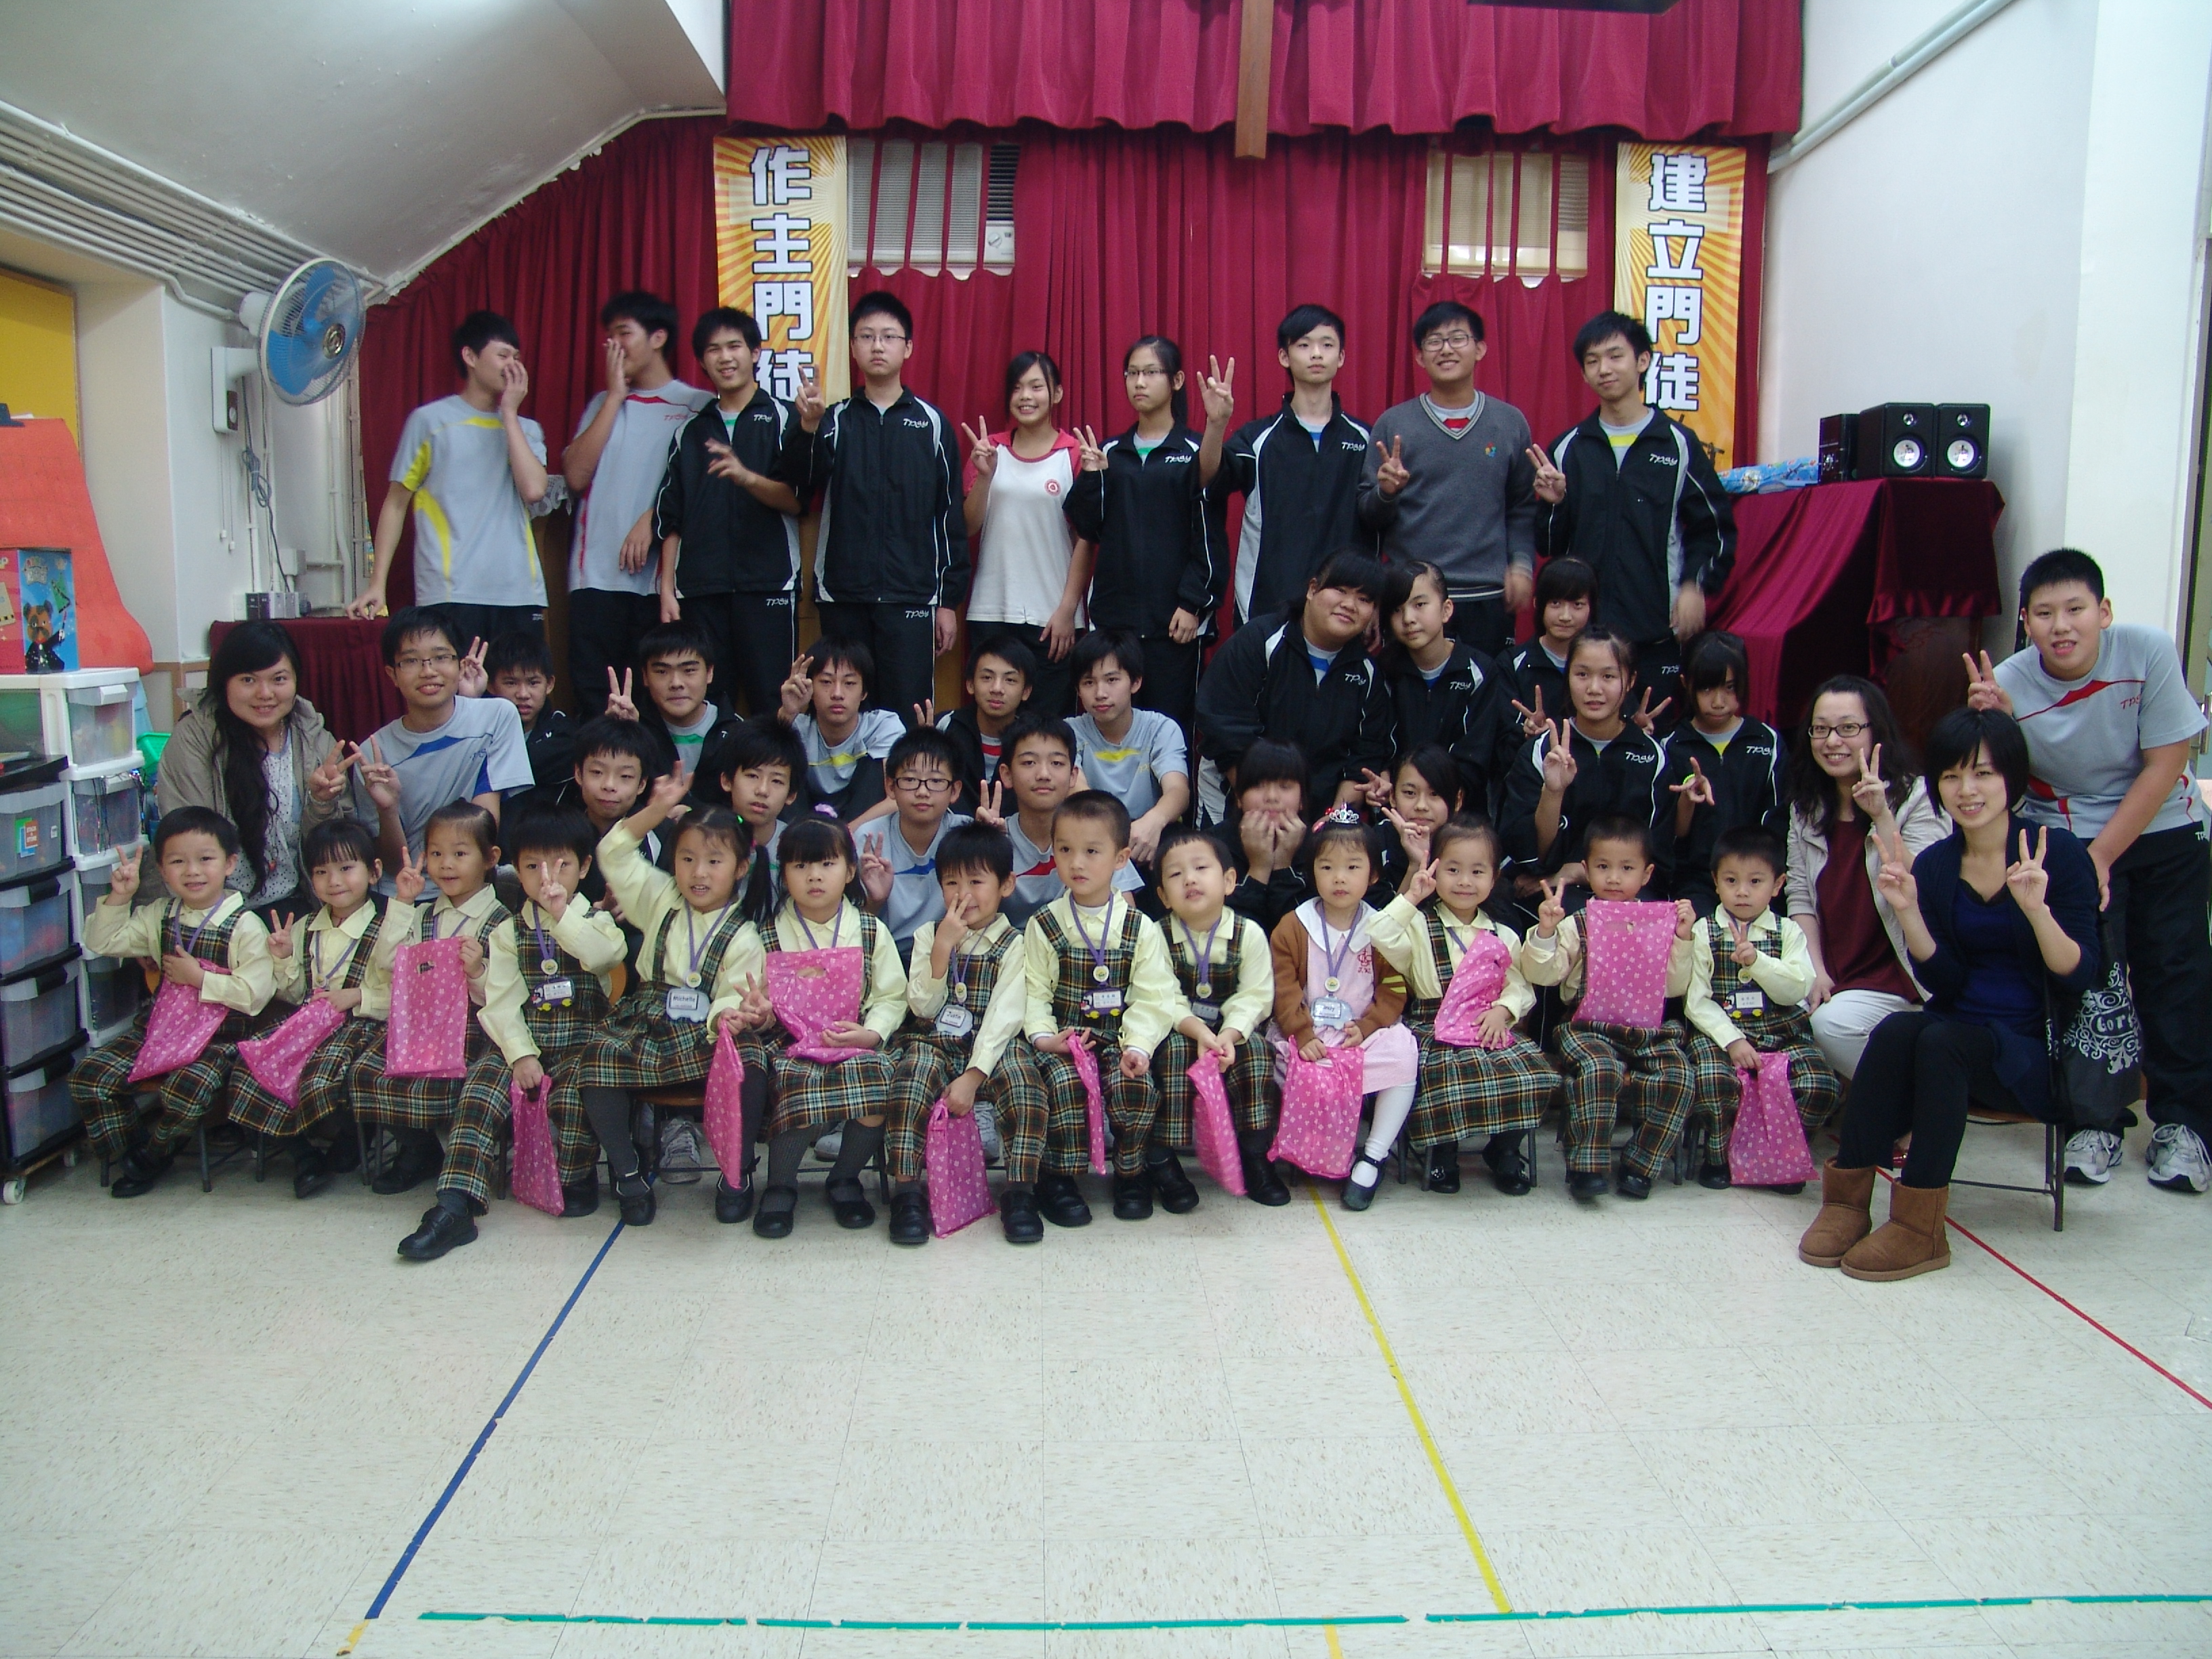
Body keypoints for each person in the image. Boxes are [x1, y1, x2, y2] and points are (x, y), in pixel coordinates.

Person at [1799, 708, 2102, 1280]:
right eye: (1952, 776)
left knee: (1942, 1044)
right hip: (1962, 1032)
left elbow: (2079, 976)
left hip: (2036, 1051)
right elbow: (1946, 982)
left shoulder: (2055, 855)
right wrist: (1909, 911)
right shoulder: (1939, 863)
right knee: (1898, 1030)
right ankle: (1847, 1201)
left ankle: (1920, 1226)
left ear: (2012, 778)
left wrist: (2037, 910)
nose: (1967, 790)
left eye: (1983, 773)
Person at [1970, 548, 2212, 1195]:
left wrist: (2102, 855)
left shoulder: (2148, 651)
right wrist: (1992, 724)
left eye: (2075, 609)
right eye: (2044, 614)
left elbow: (2167, 763)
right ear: (2026, 622)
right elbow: (2000, 781)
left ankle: (2184, 1125)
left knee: (2177, 975)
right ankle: (2094, 1122)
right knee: (2088, 980)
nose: (2062, 626)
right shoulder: (2009, 681)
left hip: (2163, 830)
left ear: (2103, 611)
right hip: (2068, 837)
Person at [419, 806, 629, 1258]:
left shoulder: (596, 922)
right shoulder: (508, 932)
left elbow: (603, 958)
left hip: (581, 1042)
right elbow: (500, 1000)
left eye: (561, 866)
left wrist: (562, 916)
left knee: (575, 1093)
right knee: (480, 1088)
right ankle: (455, 1203)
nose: (546, 878)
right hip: (525, 1040)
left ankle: (576, 1179)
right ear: (516, 869)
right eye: (532, 867)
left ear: (584, 867)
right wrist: (520, 1054)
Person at [575, 767, 766, 1224]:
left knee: (752, 1061)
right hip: (647, 1019)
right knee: (598, 1055)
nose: (698, 873)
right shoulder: (659, 898)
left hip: (707, 1029)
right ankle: (627, 1173)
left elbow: (735, 994)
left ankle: (736, 1172)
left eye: (714, 861)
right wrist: (655, 811)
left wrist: (728, 1017)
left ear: (740, 867)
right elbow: (612, 853)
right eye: (687, 858)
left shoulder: (745, 935)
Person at [1530, 312, 1736, 724]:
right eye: (1592, 361)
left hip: (1655, 632)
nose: (1604, 369)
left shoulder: (1678, 444)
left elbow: (1713, 528)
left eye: (1615, 356)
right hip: (1584, 637)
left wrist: (1695, 584)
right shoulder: (1569, 448)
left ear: (1642, 361)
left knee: (1652, 740)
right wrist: (1554, 504)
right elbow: (1549, 546)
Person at [70, 810, 278, 1198]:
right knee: (91, 1076)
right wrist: (120, 897)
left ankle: (156, 1154)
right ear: (163, 871)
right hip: (161, 1030)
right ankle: (131, 1150)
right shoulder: (160, 915)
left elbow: (254, 996)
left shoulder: (246, 925)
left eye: (205, 859)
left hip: (220, 1039)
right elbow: (102, 942)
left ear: (230, 863)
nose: (192, 871)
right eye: (178, 861)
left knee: (187, 1089)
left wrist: (199, 978)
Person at [781, 291, 967, 718]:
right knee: (843, 713)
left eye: (888, 337)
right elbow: (799, 482)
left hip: (912, 595)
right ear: (853, 348)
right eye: (866, 336)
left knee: (908, 715)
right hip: (843, 595)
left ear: (908, 347)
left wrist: (947, 601)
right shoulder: (834, 418)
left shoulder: (932, 424)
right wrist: (808, 427)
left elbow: (948, 518)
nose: (877, 346)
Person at [883, 823, 1052, 1245]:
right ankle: (907, 1191)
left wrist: (974, 1076)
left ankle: (1020, 1191)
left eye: (976, 882)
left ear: (1006, 885)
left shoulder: (1015, 943)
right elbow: (922, 1008)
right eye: (951, 883)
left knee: (1025, 1086)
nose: (964, 894)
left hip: (995, 1045)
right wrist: (942, 948)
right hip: (935, 1038)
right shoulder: (929, 935)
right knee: (911, 1079)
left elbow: (1005, 1016)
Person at [348, 802, 516, 1221]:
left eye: (460, 853)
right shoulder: (423, 915)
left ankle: (458, 1180)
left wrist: (477, 971)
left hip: (476, 1030)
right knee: (366, 1070)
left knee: (473, 1086)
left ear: (490, 858)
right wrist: (403, 903)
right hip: (422, 1027)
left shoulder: (502, 921)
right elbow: (388, 966)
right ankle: (419, 1149)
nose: (446, 864)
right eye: (436, 853)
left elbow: (506, 995)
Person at [1369, 817, 1553, 1195]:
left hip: (1488, 1024)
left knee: (1531, 1074)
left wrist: (1504, 1010)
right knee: (1447, 1075)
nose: (1465, 881)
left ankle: (1504, 1150)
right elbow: (1378, 934)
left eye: (1477, 872)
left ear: (1494, 878)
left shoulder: (1502, 933)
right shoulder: (1418, 925)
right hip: (1433, 1026)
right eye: (1453, 870)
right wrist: (1411, 898)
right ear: (1435, 870)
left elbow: (1520, 985)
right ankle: (1442, 1152)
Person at [1021, 792, 1181, 1223]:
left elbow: (1154, 996)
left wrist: (1139, 1046)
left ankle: (1132, 1173)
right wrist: (1044, 1037)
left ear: (1121, 858)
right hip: (1065, 1040)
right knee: (1064, 1085)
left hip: (1120, 1038)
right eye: (1065, 850)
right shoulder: (1044, 924)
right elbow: (1035, 992)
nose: (1076, 863)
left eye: (1092, 852)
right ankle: (1058, 1177)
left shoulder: (1139, 927)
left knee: (1136, 1087)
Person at [351, 310, 560, 641]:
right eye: (503, 355)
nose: (512, 366)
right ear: (470, 357)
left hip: (519, 591)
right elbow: (396, 503)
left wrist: (509, 413)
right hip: (451, 591)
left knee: (522, 678)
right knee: (454, 675)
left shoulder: (527, 429)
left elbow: (534, 490)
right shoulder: (431, 422)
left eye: (517, 358)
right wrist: (378, 583)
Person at [1521, 815, 1698, 1200]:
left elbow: (1675, 987)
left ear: (1647, 874)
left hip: (1648, 1031)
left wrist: (1683, 939)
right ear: (1587, 870)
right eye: (1603, 867)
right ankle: (1586, 1166)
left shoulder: (1659, 923)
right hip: (1586, 1029)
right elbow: (1543, 975)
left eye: (1627, 868)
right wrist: (1546, 931)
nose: (1614, 878)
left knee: (1680, 1074)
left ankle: (1641, 1164)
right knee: (1601, 1069)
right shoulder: (1578, 923)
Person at [750, 817, 908, 1237]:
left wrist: (872, 1033)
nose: (814, 876)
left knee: (877, 1082)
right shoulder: (767, 934)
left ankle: (845, 1178)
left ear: (850, 871)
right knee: (794, 1084)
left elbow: (892, 996)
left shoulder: (870, 930)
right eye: (800, 865)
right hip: (790, 1044)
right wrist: (760, 1013)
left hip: (854, 1038)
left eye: (827, 864)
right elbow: (757, 999)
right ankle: (780, 1185)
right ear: (783, 873)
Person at [1784, 676, 1947, 1080]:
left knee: (1830, 1026)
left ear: (1877, 731)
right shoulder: (1806, 809)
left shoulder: (1917, 797)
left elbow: (1929, 884)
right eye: (1821, 729)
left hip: (1900, 977)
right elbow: (1800, 898)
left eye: (1848, 728)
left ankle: (1912, 1102)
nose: (1832, 741)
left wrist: (1881, 815)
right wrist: (1815, 971)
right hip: (1836, 973)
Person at [226, 817, 398, 1199]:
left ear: (374, 872)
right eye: (321, 871)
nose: (334, 881)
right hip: (307, 1023)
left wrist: (358, 996)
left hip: (361, 1026)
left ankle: (353, 1136)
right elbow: (293, 992)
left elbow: (404, 994)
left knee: (320, 1075)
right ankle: (303, 1155)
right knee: (251, 1066)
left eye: (346, 868)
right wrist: (283, 958)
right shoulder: (305, 926)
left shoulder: (391, 924)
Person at [1356, 301, 1536, 657]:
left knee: (1485, 688)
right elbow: (1366, 517)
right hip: (1411, 597)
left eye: (1458, 338)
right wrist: (1386, 493)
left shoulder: (1510, 423)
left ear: (1480, 348)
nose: (1446, 349)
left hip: (1486, 595)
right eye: (1434, 341)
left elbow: (1522, 507)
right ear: (1420, 356)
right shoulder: (1394, 425)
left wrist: (1521, 564)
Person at [563, 291, 712, 717]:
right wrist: (614, 397)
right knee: (597, 702)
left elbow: (701, 490)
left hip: (658, 586)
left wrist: (653, 517)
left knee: (655, 706)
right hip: (593, 578)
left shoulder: (696, 405)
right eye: (609, 336)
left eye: (624, 333)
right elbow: (576, 476)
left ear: (658, 338)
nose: (613, 345)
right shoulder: (602, 404)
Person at [651, 306, 803, 720]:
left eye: (734, 346)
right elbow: (672, 518)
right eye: (713, 349)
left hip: (768, 583)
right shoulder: (691, 431)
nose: (725, 357)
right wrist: (667, 590)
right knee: (709, 707)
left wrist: (746, 477)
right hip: (701, 589)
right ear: (702, 361)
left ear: (755, 353)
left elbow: (797, 500)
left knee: (772, 703)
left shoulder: (785, 417)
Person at [1065, 336, 1220, 731]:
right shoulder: (1109, 452)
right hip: (1115, 622)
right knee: (1110, 729)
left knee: (1171, 730)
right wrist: (1093, 478)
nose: (1139, 382)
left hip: (1175, 624)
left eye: (1151, 372)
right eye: (1132, 373)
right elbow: (1087, 528)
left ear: (1177, 381)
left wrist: (1193, 603)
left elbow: (1209, 535)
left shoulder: (1196, 451)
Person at [1269, 810, 1419, 1212]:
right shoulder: (1293, 926)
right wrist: (1301, 1033)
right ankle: (1314, 1150)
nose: (1339, 878)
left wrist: (1369, 1026)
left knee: (1403, 1052)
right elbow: (1284, 987)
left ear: (1373, 875)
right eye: (1327, 867)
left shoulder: (1381, 926)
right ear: (1312, 872)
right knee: (1292, 1064)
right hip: (1309, 1034)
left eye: (1352, 867)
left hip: (1360, 1034)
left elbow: (1394, 988)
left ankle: (1372, 1156)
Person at [1681, 825, 1842, 1189]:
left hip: (1780, 1028)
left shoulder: (1788, 932)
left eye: (1755, 882)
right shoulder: (1704, 931)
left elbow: (1796, 988)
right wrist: (1732, 1040)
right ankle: (1719, 1158)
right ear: (1715, 882)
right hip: (1720, 1032)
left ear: (1778, 884)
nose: (1742, 891)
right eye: (1731, 880)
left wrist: (1759, 963)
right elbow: (1697, 1001)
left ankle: (1783, 1158)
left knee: (1819, 1084)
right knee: (1713, 1080)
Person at [1200, 304, 1373, 626]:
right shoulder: (1258, 438)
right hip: (1268, 604)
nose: (1316, 354)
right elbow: (1209, 478)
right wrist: (1216, 425)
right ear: (1284, 356)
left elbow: (1377, 521)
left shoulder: (1365, 438)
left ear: (1341, 357)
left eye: (1327, 345)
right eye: (1304, 345)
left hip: (1345, 606)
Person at [157, 621, 345, 918]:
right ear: (224, 682)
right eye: (248, 680)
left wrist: (322, 803)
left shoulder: (313, 738)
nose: (265, 693)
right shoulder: (195, 738)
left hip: (300, 904)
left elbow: (337, 850)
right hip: (215, 910)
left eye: (279, 679)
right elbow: (184, 841)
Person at [1194, 548, 1395, 815]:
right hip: (1237, 802)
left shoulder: (1368, 673)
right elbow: (1225, 731)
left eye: (1364, 599)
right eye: (1340, 590)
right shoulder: (1258, 642)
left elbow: (1363, 761)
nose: (1350, 605)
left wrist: (1334, 823)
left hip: (1321, 820)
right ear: (1312, 589)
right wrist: (1267, 809)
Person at [1149, 827, 1286, 1205]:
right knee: (1173, 1053)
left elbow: (1256, 995)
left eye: (1200, 868)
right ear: (1163, 896)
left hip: (1231, 1033)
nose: (1189, 879)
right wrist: (1197, 1032)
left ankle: (1255, 1156)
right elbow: (1162, 995)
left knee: (1256, 1053)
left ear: (1228, 881)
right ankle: (1164, 1162)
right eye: (1175, 874)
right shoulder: (1156, 936)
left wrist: (1229, 1034)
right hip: (1180, 1030)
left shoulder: (1249, 933)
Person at [348, 609, 534, 887]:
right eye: (411, 661)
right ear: (392, 675)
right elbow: (392, 865)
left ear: (460, 665)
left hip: (472, 884)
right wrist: (388, 809)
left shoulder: (497, 718)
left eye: (441, 657)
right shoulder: (373, 754)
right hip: (405, 891)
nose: (428, 671)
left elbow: (486, 828)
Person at [959, 351, 1091, 718]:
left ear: (1057, 393)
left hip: (1052, 618)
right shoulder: (990, 450)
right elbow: (968, 526)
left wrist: (1068, 609)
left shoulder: (1074, 454)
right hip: (991, 608)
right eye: (1017, 388)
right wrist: (985, 475)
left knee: (1047, 728)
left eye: (1036, 387)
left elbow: (1086, 539)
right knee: (993, 721)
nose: (1025, 397)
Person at [1498, 626, 1672, 898]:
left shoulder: (1652, 757)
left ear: (1630, 681)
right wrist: (1553, 793)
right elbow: (1524, 853)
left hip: (1626, 897)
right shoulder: (1542, 750)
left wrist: (1579, 874)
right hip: (1550, 893)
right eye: (1582, 674)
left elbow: (1658, 856)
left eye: (1608, 676)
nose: (1594, 689)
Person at [979, 711, 1147, 927]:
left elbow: (1127, 922)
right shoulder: (997, 835)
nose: (1043, 774)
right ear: (1007, 774)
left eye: (1057, 763)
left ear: (1073, 775)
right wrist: (983, 845)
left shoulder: (1100, 837)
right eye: (1029, 762)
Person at [1662, 630, 1786, 916]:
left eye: (1730, 688)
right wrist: (1687, 800)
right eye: (1707, 689)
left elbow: (1777, 822)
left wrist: (1759, 878)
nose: (1719, 701)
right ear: (1686, 684)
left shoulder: (1767, 742)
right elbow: (1672, 835)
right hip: (1696, 883)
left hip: (1756, 880)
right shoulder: (1672, 746)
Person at [1380, 562, 1505, 818]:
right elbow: (1379, 745)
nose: (1408, 619)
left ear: (1446, 609)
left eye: (1419, 605)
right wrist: (1383, 780)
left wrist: (1437, 798)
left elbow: (1475, 759)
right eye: (1397, 609)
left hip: (1462, 814)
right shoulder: (1384, 670)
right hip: (1399, 811)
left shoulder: (1480, 671)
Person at [1068, 632, 1191, 869]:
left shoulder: (1161, 728)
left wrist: (1154, 821)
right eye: (1089, 683)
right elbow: (1080, 794)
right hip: (1095, 833)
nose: (1100, 693)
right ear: (1078, 690)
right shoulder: (1069, 732)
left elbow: (1178, 790)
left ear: (1135, 682)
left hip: (1151, 835)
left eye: (1112, 680)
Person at [855, 727, 973, 961]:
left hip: (950, 954)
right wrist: (874, 902)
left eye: (936, 781)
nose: (922, 792)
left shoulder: (966, 835)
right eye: (910, 780)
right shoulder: (868, 838)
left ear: (955, 790)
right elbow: (851, 927)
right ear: (890, 787)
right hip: (884, 956)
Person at [773, 642, 907, 822]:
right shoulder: (796, 726)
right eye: (826, 682)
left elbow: (897, 798)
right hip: (801, 822)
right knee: (782, 758)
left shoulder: (882, 726)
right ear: (810, 688)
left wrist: (846, 834)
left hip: (861, 826)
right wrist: (788, 713)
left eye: (849, 683)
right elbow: (761, 768)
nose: (837, 694)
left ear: (864, 692)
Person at [1498, 557, 1596, 772]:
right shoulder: (1512, 664)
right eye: (1555, 604)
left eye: (1577, 605)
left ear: (1591, 608)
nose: (1565, 616)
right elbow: (1501, 741)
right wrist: (1526, 732)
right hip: (1529, 775)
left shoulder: (1603, 662)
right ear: (1537, 604)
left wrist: (1633, 726)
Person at [938, 636, 1036, 814]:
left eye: (1010, 680)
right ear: (970, 684)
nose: (997, 689)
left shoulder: (1035, 737)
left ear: (1026, 691)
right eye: (987, 677)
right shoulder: (945, 726)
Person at [1225, 739, 1313, 934]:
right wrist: (1259, 869)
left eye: (1285, 786)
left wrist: (1283, 867)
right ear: (1239, 797)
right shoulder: (1213, 848)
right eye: (1258, 785)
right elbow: (1230, 932)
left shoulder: (1320, 849)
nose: (1272, 797)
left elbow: (1302, 935)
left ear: (1302, 799)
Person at [485, 631, 575, 815]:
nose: (523, 694)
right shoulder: (479, 730)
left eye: (533, 683)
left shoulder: (564, 731)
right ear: (491, 685)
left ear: (549, 684)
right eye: (511, 683)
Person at [1376, 747, 1465, 900]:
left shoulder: (1470, 844)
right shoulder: (1374, 842)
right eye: (1410, 793)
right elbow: (1381, 915)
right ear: (1393, 797)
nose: (1421, 806)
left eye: (1435, 794)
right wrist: (1416, 865)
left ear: (1458, 800)